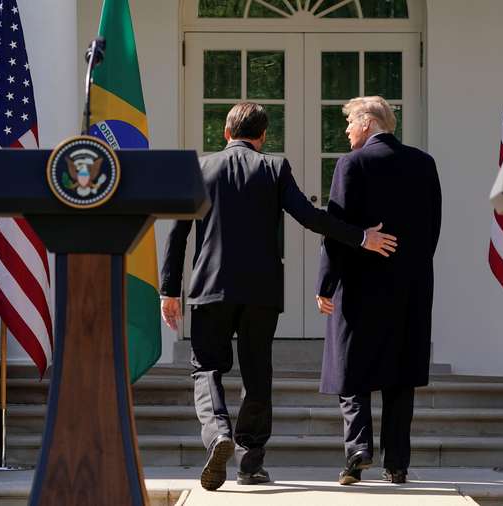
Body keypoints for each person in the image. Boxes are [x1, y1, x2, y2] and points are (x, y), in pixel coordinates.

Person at [159, 102, 397, 492]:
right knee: (257, 373)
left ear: (226, 133)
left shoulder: (199, 167)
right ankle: (250, 462)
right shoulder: (273, 167)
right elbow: (308, 215)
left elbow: (177, 234)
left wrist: (169, 290)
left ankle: (218, 432)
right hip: (261, 291)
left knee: (206, 367)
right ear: (263, 136)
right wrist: (360, 236)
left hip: (209, 288)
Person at [316, 96, 441, 485]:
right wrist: (412, 268)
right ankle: (397, 463)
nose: (347, 131)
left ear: (367, 123)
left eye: (350, 123)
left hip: (359, 285)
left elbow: (335, 228)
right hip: (411, 286)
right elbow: (432, 226)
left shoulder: (352, 164)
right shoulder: (424, 164)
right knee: (400, 375)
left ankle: (358, 450)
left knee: (350, 369)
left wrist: (326, 283)